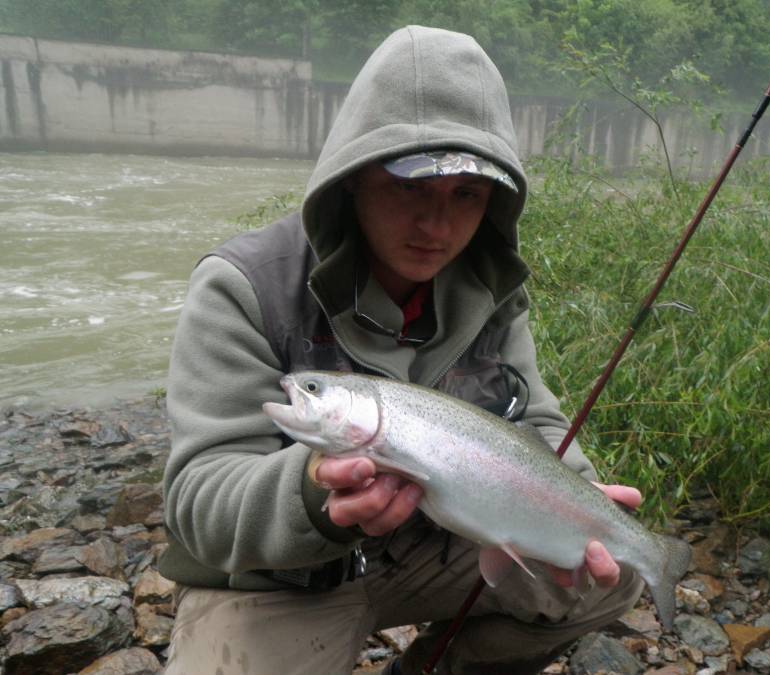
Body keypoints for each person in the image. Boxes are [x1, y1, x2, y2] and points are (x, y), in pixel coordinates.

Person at [161, 25, 644, 675]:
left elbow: (534, 420)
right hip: (276, 580)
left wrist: (578, 499)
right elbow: (199, 501)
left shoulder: (490, 289)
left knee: (610, 577)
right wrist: (315, 492)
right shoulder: (243, 286)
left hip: (432, 548)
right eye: (410, 186)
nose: (437, 225)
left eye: (466, 195)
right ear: (353, 179)